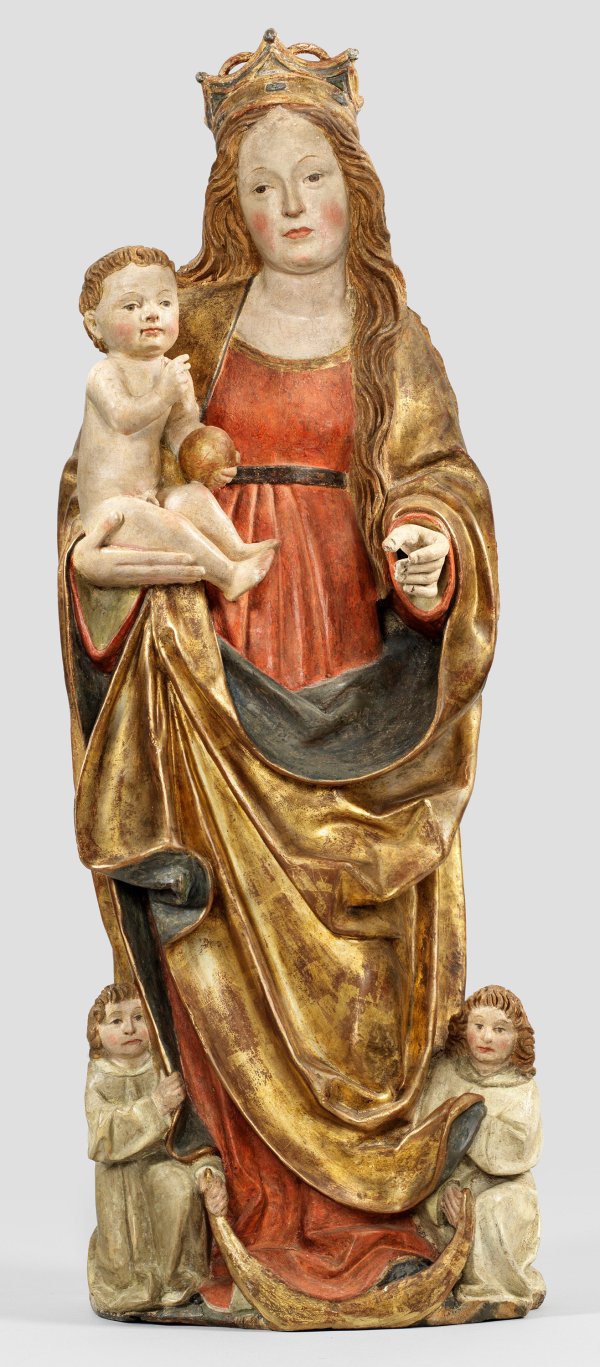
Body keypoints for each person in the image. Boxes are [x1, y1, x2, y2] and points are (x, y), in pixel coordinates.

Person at [59, 33, 499, 1324]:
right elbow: (101, 481)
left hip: (352, 662)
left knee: (359, 935)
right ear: (228, 205)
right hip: (212, 666)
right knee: (223, 940)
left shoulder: (391, 337)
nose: (290, 205)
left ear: (354, 186)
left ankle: (370, 1209)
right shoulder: (183, 325)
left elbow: (441, 480)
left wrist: (432, 546)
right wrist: (105, 561)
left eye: (312, 177)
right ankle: (234, 1211)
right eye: (260, 186)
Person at [77, 245, 277, 602]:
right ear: (95, 324)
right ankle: (229, 576)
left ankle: (235, 548)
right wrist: (165, 393)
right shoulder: (105, 373)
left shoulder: (170, 372)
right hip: (111, 508)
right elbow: (125, 419)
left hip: (151, 495)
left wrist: (211, 457)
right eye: (131, 306)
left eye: (165, 302)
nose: (151, 313)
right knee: (174, 526)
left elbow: (182, 428)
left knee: (192, 496)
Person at [85, 982, 227, 1315]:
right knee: (126, 1265)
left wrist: (209, 1173)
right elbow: (101, 1138)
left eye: (139, 1017)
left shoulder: (165, 1068)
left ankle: (177, 1281)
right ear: (96, 1033)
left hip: (165, 1164)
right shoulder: (100, 1077)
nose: (130, 1028)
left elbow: (194, 1132)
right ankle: (128, 1283)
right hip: (120, 1183)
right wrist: (156, 1105)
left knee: (177, 1186)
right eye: (116, 1021)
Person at [414, 986, 545, 1319]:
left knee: (492, 1209)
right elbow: (424, 1142)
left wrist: (471, 1119)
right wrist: (444, 1196)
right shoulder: (444, 1074)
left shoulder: (521, 1089)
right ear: (464, 1029)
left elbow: (516, 1153)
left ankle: (490, 1291)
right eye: (479, 1026)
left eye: (500, 1029)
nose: (487, 1037)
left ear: (517, 1039)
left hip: (504, 1186)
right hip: (443, 1186)